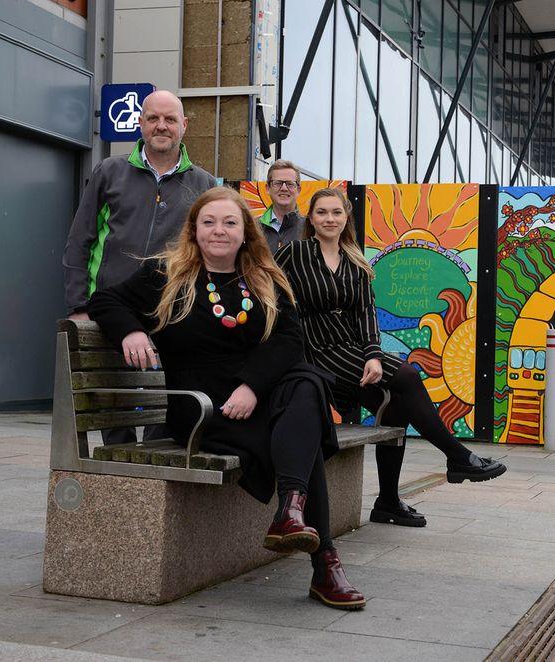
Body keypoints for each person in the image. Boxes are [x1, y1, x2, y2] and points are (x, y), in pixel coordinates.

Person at [88, 187, 364, 611]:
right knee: (302, 435)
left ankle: (292, 510)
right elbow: (104, 299)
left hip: (258, 394)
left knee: (307, 386)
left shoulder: (265, 278)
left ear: (245, 232)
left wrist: (252, 386)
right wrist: (132, 329)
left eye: (230, 222)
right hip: (202, 407)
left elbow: (291, 338)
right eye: (209, 222)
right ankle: (319, 554)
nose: (220, 230)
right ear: (194, 230)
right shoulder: (164, 275)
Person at [275, 188, 506, 529]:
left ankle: (387, 502)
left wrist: (373, 356)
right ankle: (457, 456)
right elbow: (267, 287)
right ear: (311, 218)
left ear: (345, 218)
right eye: (322, 212)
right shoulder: (295, 253)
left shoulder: (355, 259)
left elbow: (367, 313)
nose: (329, 219)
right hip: (315, 352)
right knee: (409, 376)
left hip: (351, 349)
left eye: (336, 213)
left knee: (396, 404)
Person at [63, 89, 217, 444]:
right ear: (141, 123)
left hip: (172, 314)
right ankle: (121, 477)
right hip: (107, 310)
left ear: (184, 126)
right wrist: (78, 306)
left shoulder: (204, 184)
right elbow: (78, 241)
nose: (161, 126)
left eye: (170, 120)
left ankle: (152, 475)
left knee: (165, 404)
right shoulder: (109, 172)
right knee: (109, 401)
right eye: (153, 118)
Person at [259, 160, 306, 251]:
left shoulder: (309, 228)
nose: (284, 188)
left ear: (299, 190)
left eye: (290, 184)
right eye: (277, 183)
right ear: (268, 188)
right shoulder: (252, 228)